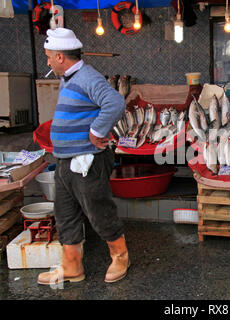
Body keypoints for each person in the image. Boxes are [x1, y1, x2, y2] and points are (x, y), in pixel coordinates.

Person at [37, 28, 129, 286]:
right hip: (66, 161)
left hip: (86, 161)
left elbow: (115, 102)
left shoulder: (87, 77)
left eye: (48, 57)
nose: (46, 62)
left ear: (59, 56)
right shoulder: (69, 77)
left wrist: (95, 131)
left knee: (98, 211)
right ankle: (72, 266)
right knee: (65, 214)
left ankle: (120, 256)